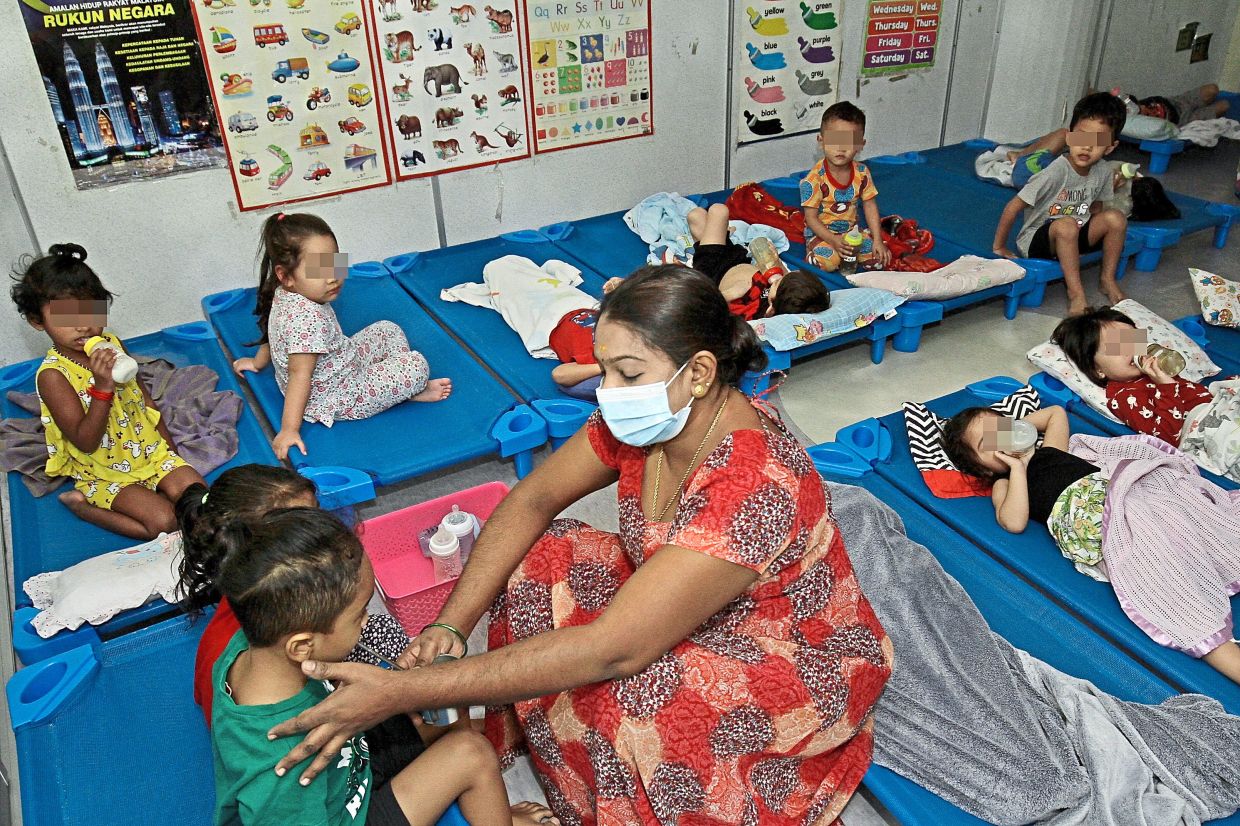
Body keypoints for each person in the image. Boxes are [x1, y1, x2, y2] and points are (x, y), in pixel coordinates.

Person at [262, 265, 893, 824]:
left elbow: (612, 652)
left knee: (646, 700)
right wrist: (452, 628)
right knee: (546, 555)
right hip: (680, 596)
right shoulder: (646, 414)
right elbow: (532, 501)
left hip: (782, 645)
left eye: (627, 372)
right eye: (605, 367)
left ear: (699, 372)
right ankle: (554, 752)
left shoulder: (751, 483)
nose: (606, 389)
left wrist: (406, 691)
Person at [209, 507, 559, 826]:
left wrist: (400, 687)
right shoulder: (283, 767)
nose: (367, 621)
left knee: (442, 695)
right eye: (359, 614)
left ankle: (486, 807)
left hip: (347, 766)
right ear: (301, 646)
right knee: (471, 753)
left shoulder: (254, 643)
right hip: (343, 815)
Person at [941, 404, 1240, 684]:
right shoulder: (1004, 484)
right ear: (982, 469)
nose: (1000, 441)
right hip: (1102, 528)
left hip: (1126, 496)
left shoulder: (1051, 451)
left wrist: (1016, 432)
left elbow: (1055, 413)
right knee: (1168, 585)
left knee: (1191, 520)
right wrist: (1016, 467)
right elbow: (1014, 521)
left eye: (1001, 430)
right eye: (987, 445)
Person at [176, 464, 411, 728]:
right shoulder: (263, 660)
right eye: (302, 527)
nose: (321, 532)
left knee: (378, 630)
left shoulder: (252, 599)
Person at [10, 243, 205, 539]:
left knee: (203, 505)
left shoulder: (112, 344)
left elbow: (144, 398)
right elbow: (85, 441)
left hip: (148, 450)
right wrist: (102, 388)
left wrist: (171, 453)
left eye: (91, 311)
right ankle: (82, 507)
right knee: (165, 523)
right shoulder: (53, 376)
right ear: (38, 321)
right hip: (104, 469)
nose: (84, 327)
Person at [232, 213, 452, 460]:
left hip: (337, 364)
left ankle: (398, 388)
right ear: (286, 276)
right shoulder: (307, 319)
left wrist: (257, 362)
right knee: (416, 366)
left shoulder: (285, 292)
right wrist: (289, 429)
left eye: (334, 263)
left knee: (387, 329)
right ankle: (408, 390)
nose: (332, 276)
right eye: (318, 269)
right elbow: (299, 375)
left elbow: (273, 339)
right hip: (337, 396)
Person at [993, 93, 1129, 315]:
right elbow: (1013, 207)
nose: (1087, 147)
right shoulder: (1056, 171)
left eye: (1098, 142)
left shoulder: (1103, 170)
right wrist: (999, 246)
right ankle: (1076, 294)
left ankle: (1107, 279)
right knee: (1066, 225)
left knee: (1116, 218)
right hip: (1040, 240)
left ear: (1110, 147)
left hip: (1073, 232)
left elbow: (1095, 207)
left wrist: (1088, 235)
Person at [800, 101, 891, 273]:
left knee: (879, 259)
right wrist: (833, 240)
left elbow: (870, 204)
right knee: (826, 263)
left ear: (860, 144)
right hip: (822, 235)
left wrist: (877, 240)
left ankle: (850, 252)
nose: (841, 149)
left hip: (852, 233)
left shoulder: (862, 172)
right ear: (821, 141)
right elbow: (811, 219)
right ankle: (819, 252)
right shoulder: (813, 179)